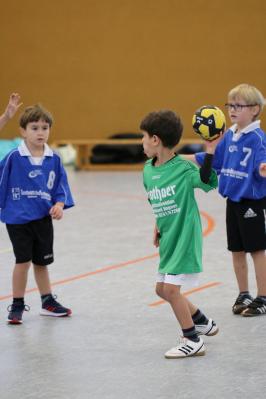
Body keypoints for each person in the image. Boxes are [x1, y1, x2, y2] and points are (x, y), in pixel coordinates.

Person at [140, 110, 219, 359]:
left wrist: (210, 151)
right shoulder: (148, 171)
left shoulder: (184, 169)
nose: (141, 142)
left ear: (155, 140)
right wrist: (157, 225)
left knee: (172, 291)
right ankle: (202, 322)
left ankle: (192, 339)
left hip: (185, 236)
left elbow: (206, 181)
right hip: (169, 236)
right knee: (162, 290)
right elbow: (156, 201)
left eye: (143, 137)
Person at [185, 83, 266, 317]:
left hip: (251, 201)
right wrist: (178, 158)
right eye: (230, 105)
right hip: (232, 201)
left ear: (254, 110)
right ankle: (244, 294)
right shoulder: (229, 135)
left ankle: (262, 297)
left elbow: (262, 164)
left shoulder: (258, 139)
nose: (232, 110)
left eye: (238, 105)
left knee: (257, 250)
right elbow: (211, 160)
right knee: (237, 250)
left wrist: (262, 169)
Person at [0, 103, 74, 324]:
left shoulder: (54, 159)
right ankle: (18, 304)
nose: (40, 132)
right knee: (23, 261)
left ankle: (47, 301)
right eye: (34, 127)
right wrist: (5, 117)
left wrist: (59, 205)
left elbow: (60, 187)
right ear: (22, 131)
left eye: (44, 127)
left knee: (42, 262)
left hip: (42, 219)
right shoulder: (14, 157)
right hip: (18, 218)